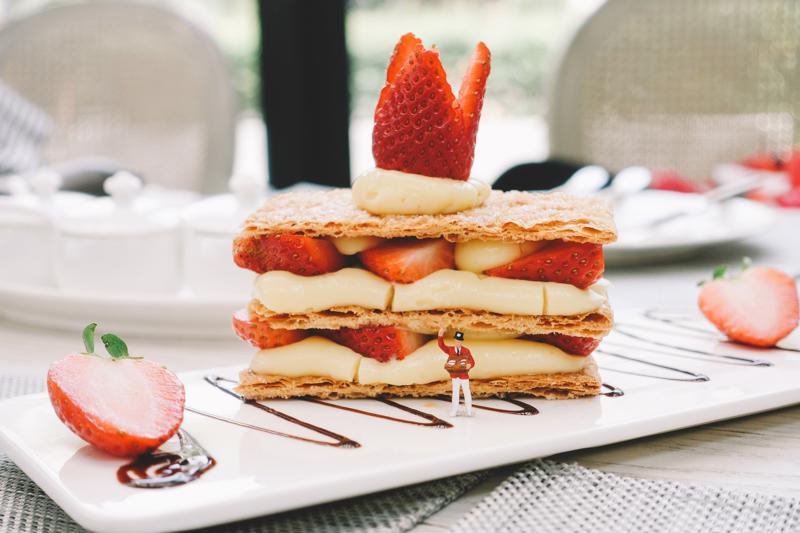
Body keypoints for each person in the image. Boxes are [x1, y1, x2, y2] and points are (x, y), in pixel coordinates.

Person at [437, 327, 475, 417]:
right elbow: (441, 346)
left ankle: (469, 411)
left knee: (467, 393)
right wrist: (440, 335)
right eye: (456, 341)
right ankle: (454, 411)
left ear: (461, 342)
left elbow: (472, 361)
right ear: (454, 341)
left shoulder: (466, 350)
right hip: (454, 377)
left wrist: (470, 365)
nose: (458, 342)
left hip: (464, 376)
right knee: (455, 394)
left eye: (459, 341)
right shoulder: (450, 350)